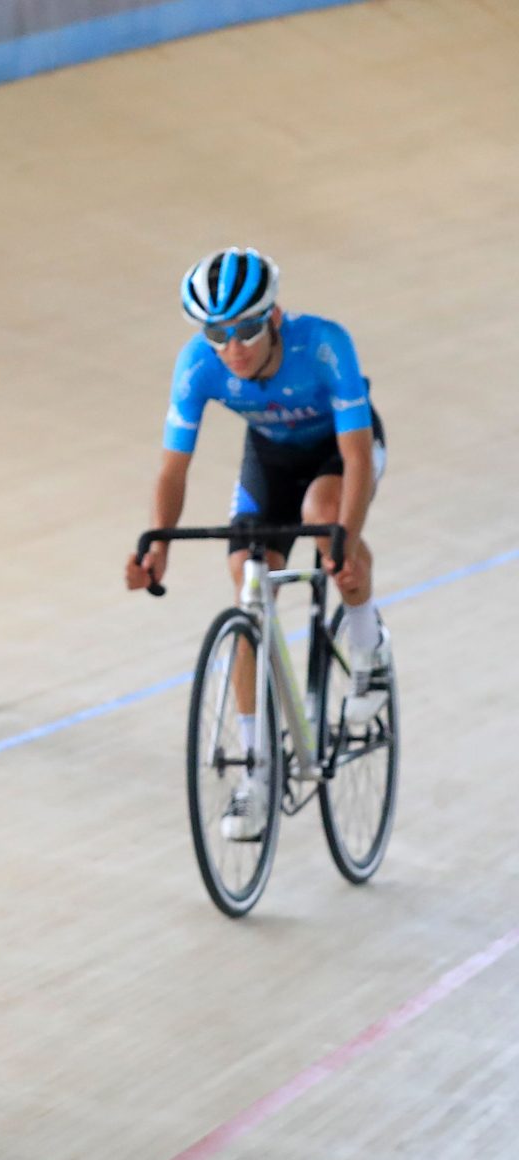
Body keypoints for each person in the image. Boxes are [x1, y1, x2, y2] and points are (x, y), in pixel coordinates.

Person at [126, 247, 388, 842]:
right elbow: (172, 469)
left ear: (273, 317)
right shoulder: (198, 364)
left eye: (245, 329)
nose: (233, 347)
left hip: (341, 450)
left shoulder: (324, 345)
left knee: (325, 519)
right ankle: (258, 770)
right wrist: (158, 545)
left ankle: (367, 648)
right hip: (271, 460)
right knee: (249, 585)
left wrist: (343, 544)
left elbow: (355, 457)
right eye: (217, 333)